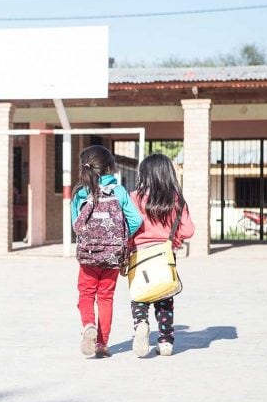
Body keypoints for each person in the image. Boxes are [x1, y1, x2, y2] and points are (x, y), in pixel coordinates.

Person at [71, 145, 142, 358]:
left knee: (86, 294)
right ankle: (102, 344)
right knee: (106, 297)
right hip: (112, 256)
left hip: (88, 256)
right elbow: (136, 220)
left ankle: (88, 325)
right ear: (110, 168)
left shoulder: (79, 193)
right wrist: (120, 236)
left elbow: (76, 224)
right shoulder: (119, 191)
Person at [129, 153, 195, 357]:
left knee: (139, 295)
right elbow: (189, 230)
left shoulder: (134, 198)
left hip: (139, 255)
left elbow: (128, 227)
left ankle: (141, 322)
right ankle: (165, 342)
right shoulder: (176, 199)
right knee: (165, 297)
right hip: (165, 255)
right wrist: (174, 236)